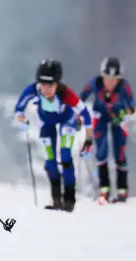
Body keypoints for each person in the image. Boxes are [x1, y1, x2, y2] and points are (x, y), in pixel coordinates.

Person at [13, 58, 93, 212]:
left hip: (67, 121)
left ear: (57, 83)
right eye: (43, 84)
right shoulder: (33, 90)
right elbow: (18, 109)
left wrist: (88, 139)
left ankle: (69, 199)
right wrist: (21, 119)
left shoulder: (66, 94)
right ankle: (56, 199)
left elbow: (86, 115)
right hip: (47, 124)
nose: (46, 89)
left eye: (51, 85)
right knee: (50, 161)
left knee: (65, 156)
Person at [80, 57, 136, 203]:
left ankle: (122, 190)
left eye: (114, 79)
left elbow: (132, 106)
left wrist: (123, 115)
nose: (111, 82)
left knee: (120, 152)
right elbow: (80, 99)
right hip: (101, 117)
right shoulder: (95, 83)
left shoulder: (124, 86)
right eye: (108, 78)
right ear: (102, 76)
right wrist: (78, 116)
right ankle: (104, 189)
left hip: (119, 118)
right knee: (101, 150)